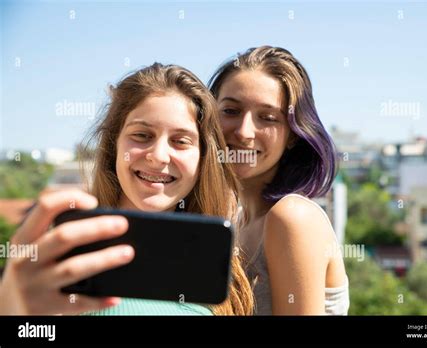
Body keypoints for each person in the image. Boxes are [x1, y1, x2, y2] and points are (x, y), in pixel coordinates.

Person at [0, 63, 254, 315]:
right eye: (142, 135)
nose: (159, 156)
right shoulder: (63, 252)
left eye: (180, 141)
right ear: (114, 148)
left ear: (203, 160)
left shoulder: (221, 267)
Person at [209, 46, 350, 315]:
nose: (244, 132)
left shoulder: (292, 217)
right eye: (230, 111)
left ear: (294, 134)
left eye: (268, 118)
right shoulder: (237, 220)